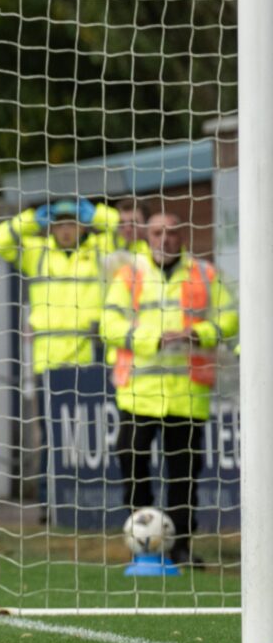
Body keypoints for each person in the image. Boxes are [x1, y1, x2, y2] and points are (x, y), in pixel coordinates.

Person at [102, 210, 238, 567]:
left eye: (173, 232)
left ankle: (180, 546)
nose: (165, 238)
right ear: (147, 236)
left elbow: (230, 317)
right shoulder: (129, 273)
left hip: (187, 393)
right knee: (132, 463)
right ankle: (142, 541)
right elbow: (108, 324)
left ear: (183, 236)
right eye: (158, 232)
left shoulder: (205, 273)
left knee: (184, 474)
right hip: (139, 391)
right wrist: (153, 339)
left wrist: (198, 333)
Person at [0, 197, 120, 378]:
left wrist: (97, 215)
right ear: (51, 227)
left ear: (82, 226)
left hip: (90, 356)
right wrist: (31, 220)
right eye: (59, 224)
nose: (65, 230)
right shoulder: (37, 252)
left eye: (71, 223)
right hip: (47, 359)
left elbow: (129, 231)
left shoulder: (99, 249)